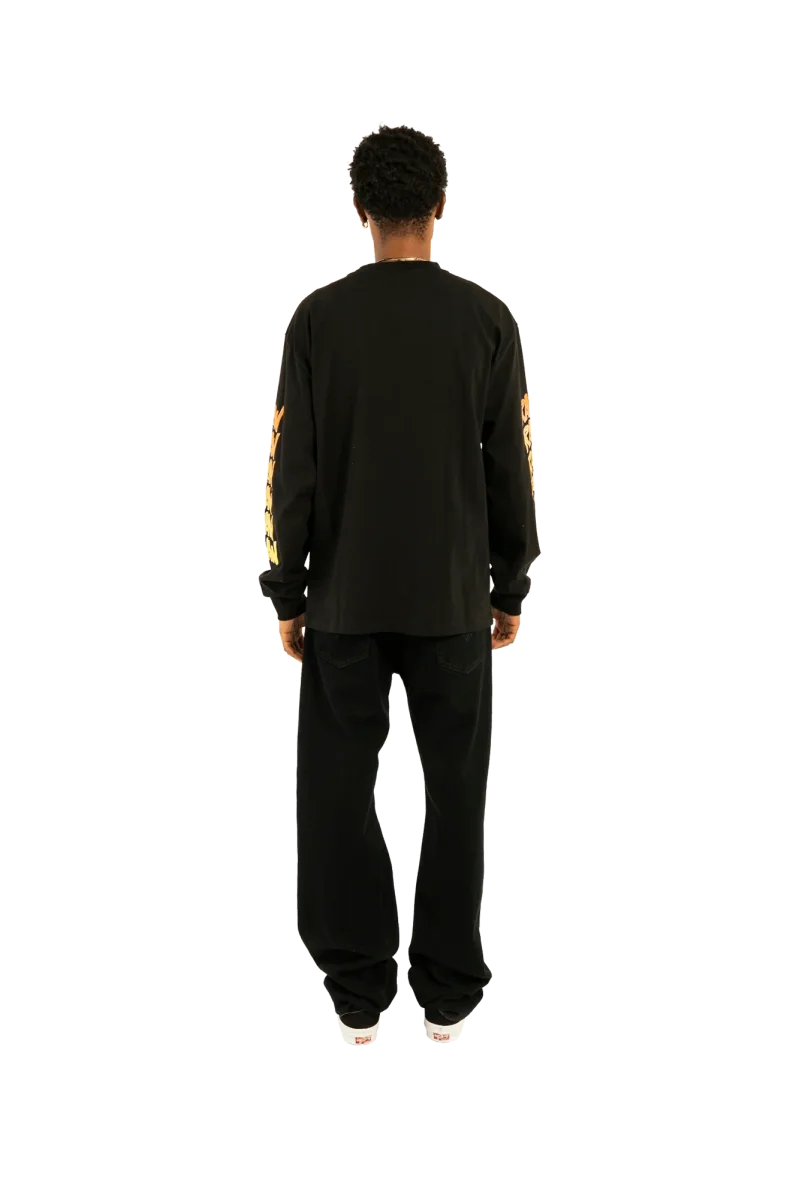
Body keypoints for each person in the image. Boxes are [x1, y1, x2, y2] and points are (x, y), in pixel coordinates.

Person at [259, 125, 540, 1046]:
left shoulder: (318, 320)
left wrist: (288, 592)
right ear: (441, 204)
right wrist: (510, 584)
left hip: (342, 599)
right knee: (457, 792)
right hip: (452, 599)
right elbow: (511, 470)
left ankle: (355, 991)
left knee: (336, 790)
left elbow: (290, 469)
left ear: (357, 208)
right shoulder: (486, 320)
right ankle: (449, 993)